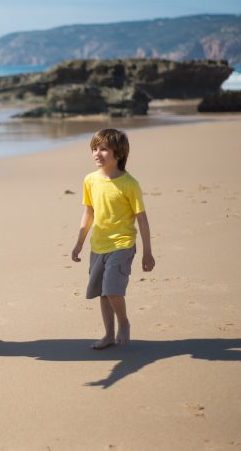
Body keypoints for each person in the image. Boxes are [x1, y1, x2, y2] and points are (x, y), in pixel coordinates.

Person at [71, 129, 155, 349]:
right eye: (94, 149)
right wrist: (79, 243)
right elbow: (88, 213)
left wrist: (147, 251)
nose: (97, 153)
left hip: (122, 244)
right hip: (98, 245)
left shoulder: (129, 184)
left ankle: (124, 323)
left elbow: (142, 219)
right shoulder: (90, 180)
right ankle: (108, 334)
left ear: (118, 154)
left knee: (112, 289)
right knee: (102, 293)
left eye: (103, 149)